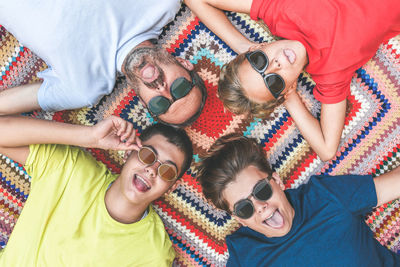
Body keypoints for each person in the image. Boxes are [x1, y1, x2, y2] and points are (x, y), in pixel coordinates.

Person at [185, 0, 400, 159]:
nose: (275, 65)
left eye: (259, 60)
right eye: (273, 82)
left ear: (258, 48)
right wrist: (289, 97)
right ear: (286, 88)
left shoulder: (277, 9)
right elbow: (326, 149)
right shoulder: (331, 74)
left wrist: (243, 46)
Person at [0, 115, 193, 266]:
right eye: (147, 155)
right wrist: (89, 137)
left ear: (171, 187)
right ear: (129, 152)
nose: (151, 170)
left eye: (167, 171)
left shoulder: (153, 254)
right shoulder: (72, 167)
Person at [197, 134, 400, 266]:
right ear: (239, 219)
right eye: (243, 208)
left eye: (261, 190)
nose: (259, 207)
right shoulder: (244, 256)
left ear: (276, 180)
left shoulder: (325, 196)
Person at [0, 0, 207, 126]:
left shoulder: (84, 89)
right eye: (179, 88)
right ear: (184, 63)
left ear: (144, 103)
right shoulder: (164, 5)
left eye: (159, 103)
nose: (162, 89)